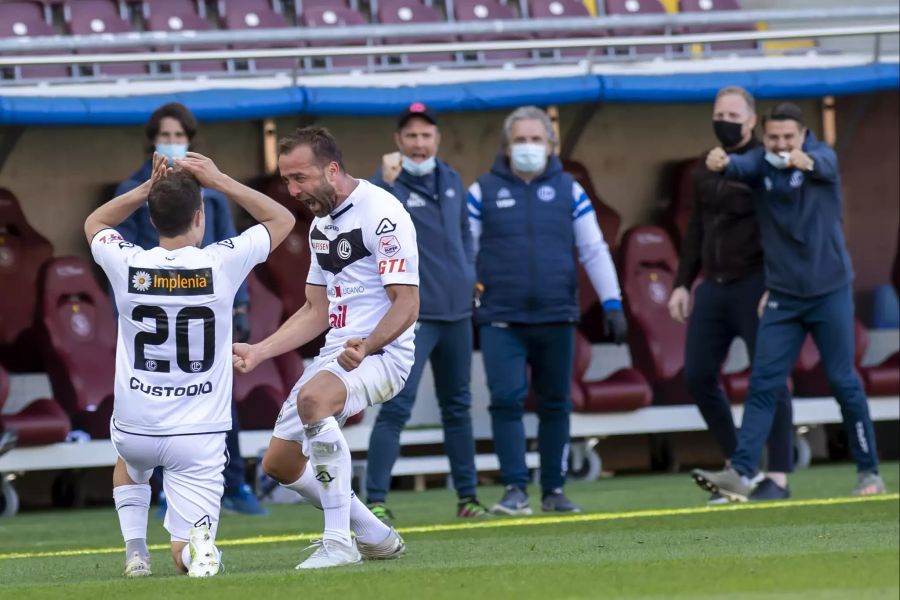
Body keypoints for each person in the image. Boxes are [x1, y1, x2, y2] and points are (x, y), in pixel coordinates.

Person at [86, 152, 294, 577]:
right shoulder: (222, 260)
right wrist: (221, 180)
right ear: (200, 217)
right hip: (199, 433)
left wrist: (144, 190)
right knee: (185, 551)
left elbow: (95, 224)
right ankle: (193, 551)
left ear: (151, 218)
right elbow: (281, 220)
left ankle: (135, 552)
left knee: (130, 463)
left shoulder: (128, 263)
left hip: (137, 423)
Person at [232, 127, 419, 569]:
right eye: (287, 181)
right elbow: (315, 311)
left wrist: (369, 344)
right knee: (278, 463)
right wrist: (260, 350)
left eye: (300, 179)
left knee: (315, 401)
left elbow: (407, 304)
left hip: (383, 352)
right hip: (336, 355)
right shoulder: (321, 224)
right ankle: (372, 532)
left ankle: (338, 542)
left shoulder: (383, 214)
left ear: (332, 170)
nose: (294, 191)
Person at [693, 102, 886, 500]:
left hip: (829, 292)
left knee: (843, 381)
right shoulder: (762, 166)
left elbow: (825, 165)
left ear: (803, 136)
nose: (781, 146)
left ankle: (868, 472)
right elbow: (738, 167)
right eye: (774, 138)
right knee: (763, 382)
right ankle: (741, 472)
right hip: (783, 296)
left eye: (789, 138)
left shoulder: (820, 159)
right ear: (764, 138)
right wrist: (719, 161)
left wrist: (806, 161)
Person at [466, 106, 627, 515]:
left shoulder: (570, 190)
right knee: (505, 401)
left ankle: (554, 491)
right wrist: (463, 301)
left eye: (536, 140)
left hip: (557, 315)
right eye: (520, 140)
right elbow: (464, 255)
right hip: (501, 317)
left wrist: (613, 303)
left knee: (556, 404)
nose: (528, 147)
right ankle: (514, 490)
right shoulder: (480, 192)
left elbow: (593, 249)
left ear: (551, 146)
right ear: (506, 146)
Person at [114, 102, 265, 516]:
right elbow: (113, 249)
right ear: (152, 141)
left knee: (219, 398)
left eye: (181, 137)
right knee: (157, 404)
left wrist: (241, 309)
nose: (174, 144)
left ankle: (233, 486)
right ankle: (166, 491)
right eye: (167, 136)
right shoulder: (133, 189)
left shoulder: (209, 195)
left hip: (206, 312)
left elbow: (233, 250)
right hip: (154, 309)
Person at [669, 86, 794, 503]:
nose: (725, 120)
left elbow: (782, 230)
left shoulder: (766, 164)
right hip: (714, 286)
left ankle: (777, 476)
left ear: (752, 120)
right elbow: (696, 230)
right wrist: (683, 283)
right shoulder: (704, 169)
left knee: (770, 378)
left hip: (757, 283)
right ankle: (737, 468)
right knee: (697, 374)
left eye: (733, 114)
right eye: (719, 113)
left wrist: (777, 284)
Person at [365, 102, 486, 522]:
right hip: (412, 317)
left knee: (458, 408)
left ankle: (468, 499)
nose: (419, 144)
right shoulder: (385, 186)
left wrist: (470, 279)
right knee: (396, 405)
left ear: (436, 139)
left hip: (456, 313)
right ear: (398, 141)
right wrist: (384, 179)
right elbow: (368, 225)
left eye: (426, 135)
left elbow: (465, 237)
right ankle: (375, 501)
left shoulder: (452, 179)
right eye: (411, 136)